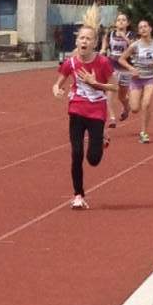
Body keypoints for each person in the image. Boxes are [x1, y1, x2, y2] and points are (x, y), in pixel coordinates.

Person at [53, 23, 118, 208]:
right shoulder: (71, 63)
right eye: (82, 38)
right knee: (76, 153)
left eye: (88, 39)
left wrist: (95, 83)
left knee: (93, 159)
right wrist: (57, 90)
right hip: (76, 109)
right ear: (76, 41)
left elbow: (114, 87)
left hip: (97, 111)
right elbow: (57, 83)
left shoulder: (103, 63)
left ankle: (101, 138)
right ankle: (78, 195)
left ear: (94, 43)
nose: (84, 41)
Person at [123, 18, 153, 141]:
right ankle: (131, 101)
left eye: (145, 26)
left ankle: (144, 132)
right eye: (140, 27)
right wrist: (131, 68)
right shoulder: (135, 45)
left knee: (146, 103)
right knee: (134, 108)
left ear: (150, 29)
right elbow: (122, 59)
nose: (143, 29)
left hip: (150, 77)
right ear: (138, 31)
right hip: (137, 79)